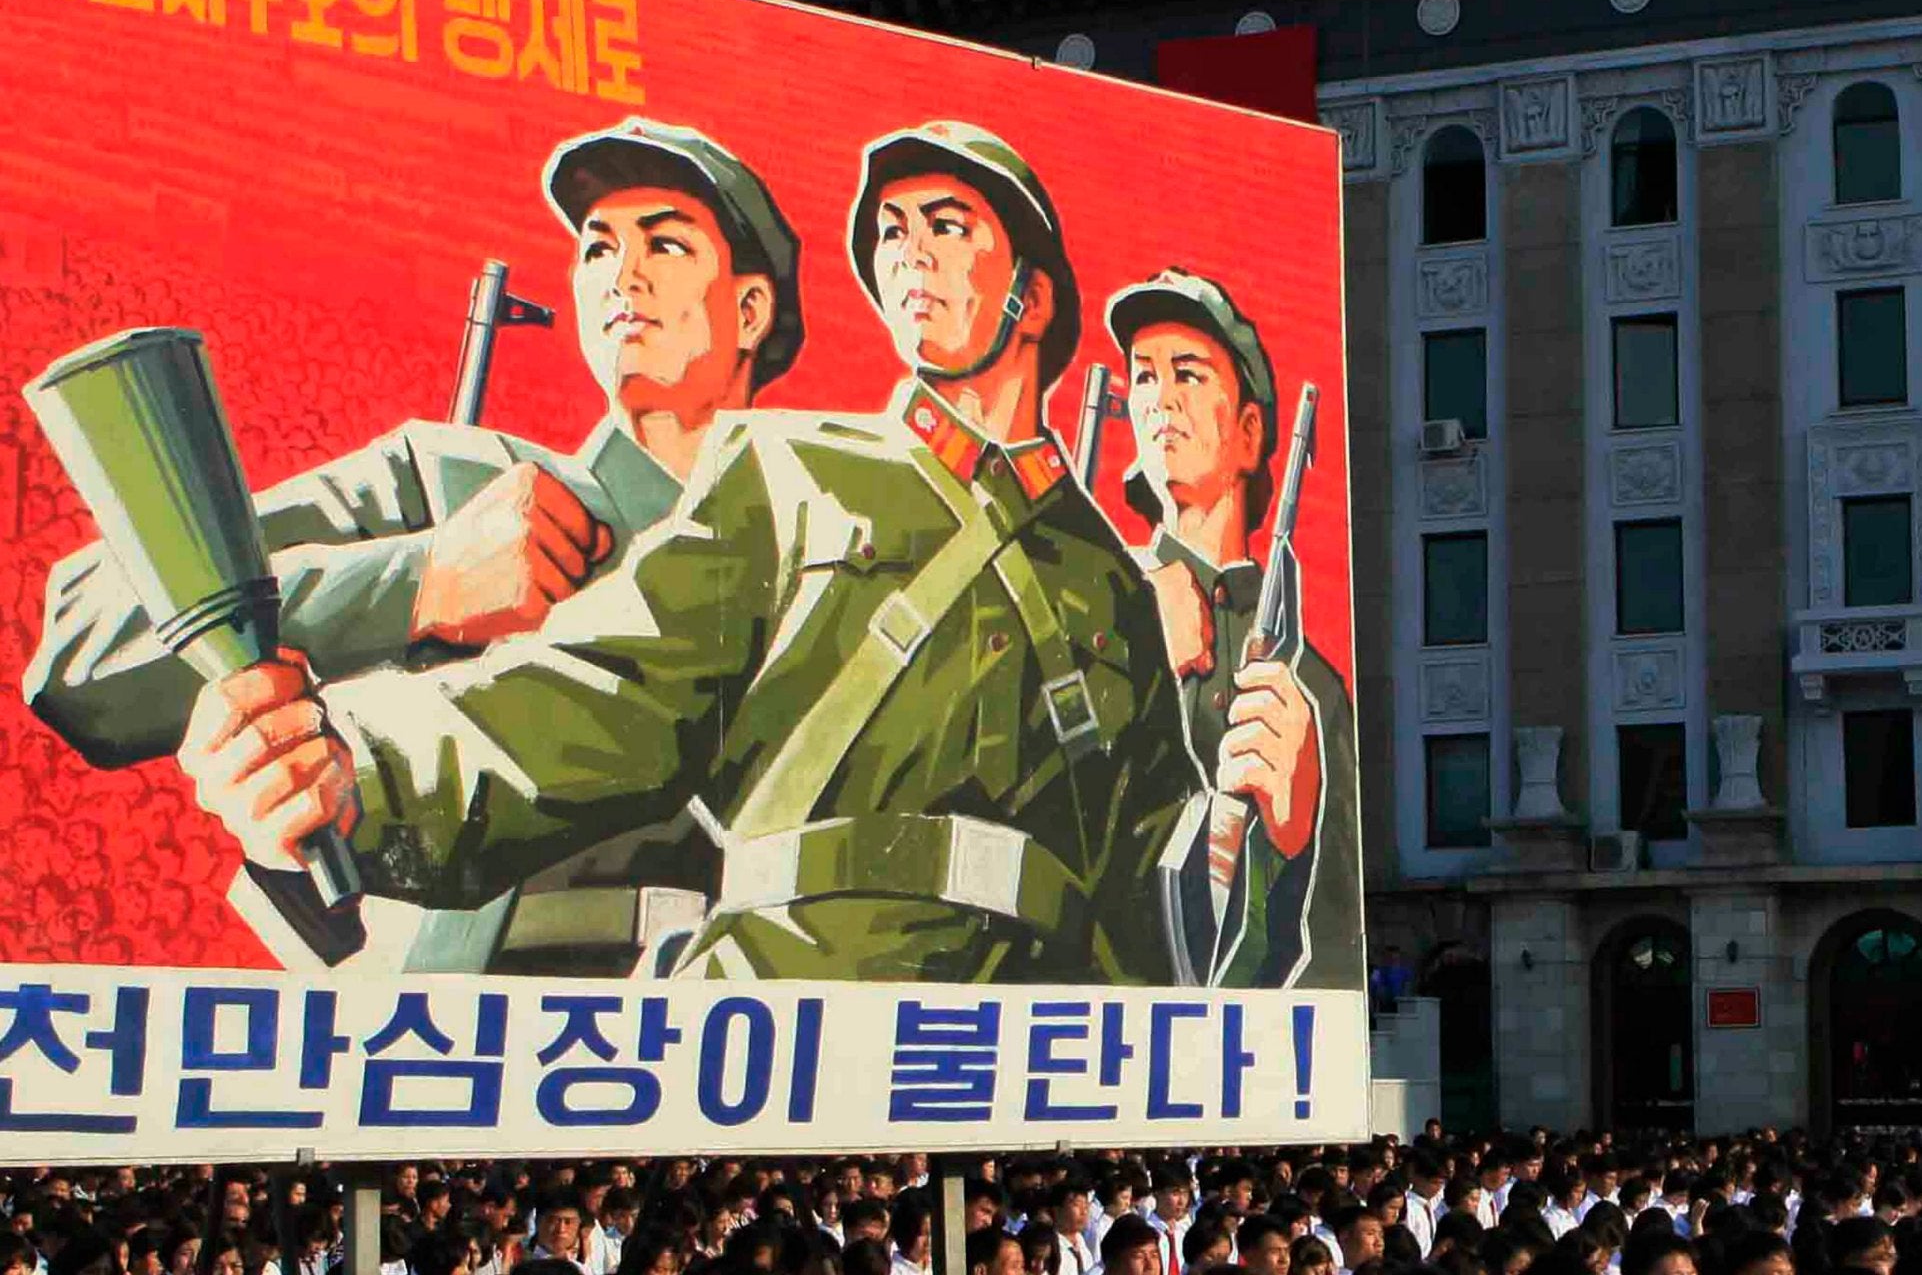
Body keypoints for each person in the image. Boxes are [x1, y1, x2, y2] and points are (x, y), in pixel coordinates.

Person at [172, 120, 1201, 985]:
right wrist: (362, 776)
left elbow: (1146, 878)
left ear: (1031, 296)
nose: (910, 253)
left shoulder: (1107, 579)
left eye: (946, 226)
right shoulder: (789, 464)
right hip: (793, 997)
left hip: (1021, 1033)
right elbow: (608, 693)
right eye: (889, 231)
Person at [24, 117, 805, 974]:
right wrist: (417, 580)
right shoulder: (456, 482)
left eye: (664, 244)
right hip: (472, 1031)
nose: (622, 275)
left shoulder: (832, 546)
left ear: (751, 308)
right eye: (596, 248)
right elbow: (86, 638)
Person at [1105, 269, 1358, 988]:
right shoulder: (1095, 599)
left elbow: (1338, 941)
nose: (1161, 401)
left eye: (1188, 374)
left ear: (1250, 431)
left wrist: (1295, 834)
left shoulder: (1312, 688)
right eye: (1144, 379)